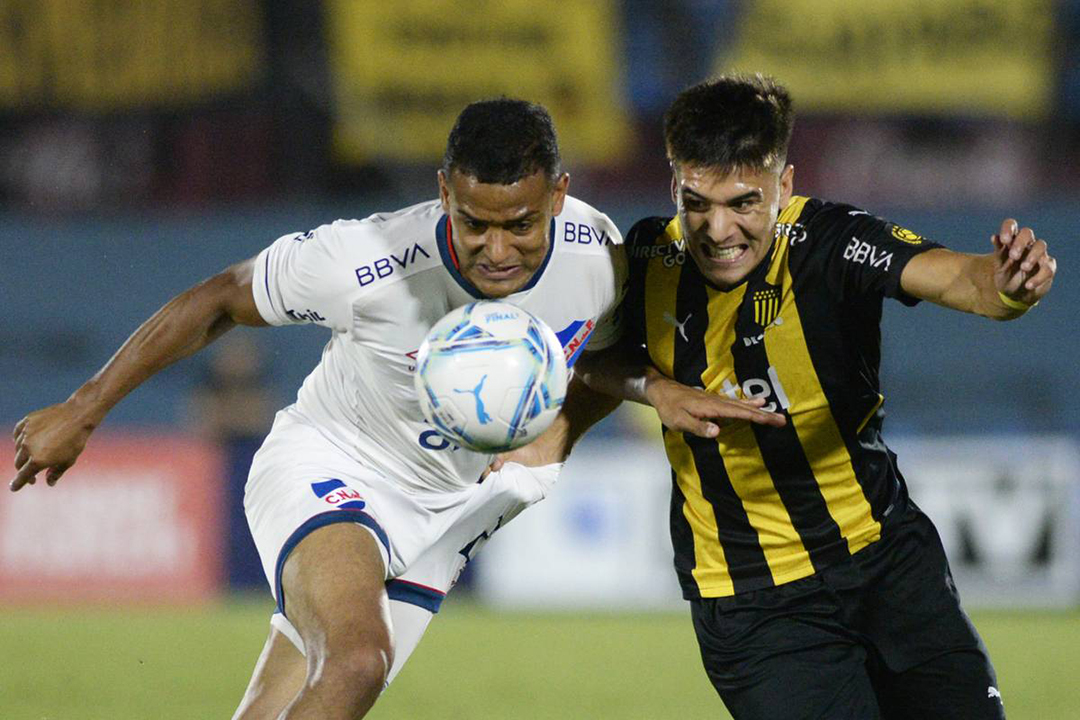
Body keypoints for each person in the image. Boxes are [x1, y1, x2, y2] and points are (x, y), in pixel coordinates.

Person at [7, 98, 785, 719]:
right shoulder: (365, 261)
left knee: (294, 698)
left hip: (448, 516)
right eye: (474, 222)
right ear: (444, 191)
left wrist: (635, 397)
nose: (497, 248)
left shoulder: (599, 256)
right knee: (355, 662)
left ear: (558, 194)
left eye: (520, 223)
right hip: (330, 467)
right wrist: (84, 408)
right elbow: (219, 299)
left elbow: (598, 356)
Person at [577, 74, 1056, 720]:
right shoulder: (644, 261)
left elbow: (964, 281)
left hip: (887, 562)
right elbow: (577, 358)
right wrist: (654, 388)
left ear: (786, 186)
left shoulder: (831, 244)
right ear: (674, 188)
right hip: (754, 605)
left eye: (744, 202)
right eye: (697, 203)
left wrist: (1008, 284)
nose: (717, 230)